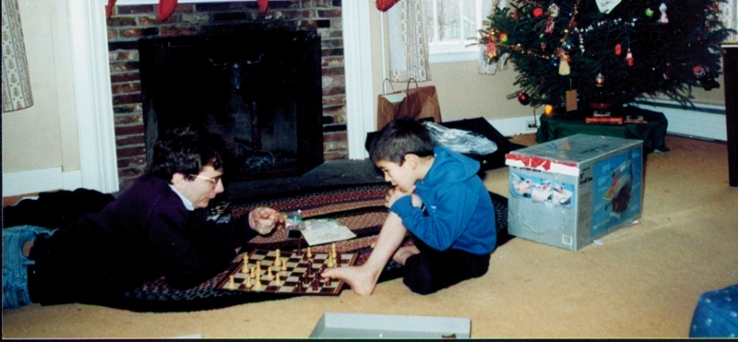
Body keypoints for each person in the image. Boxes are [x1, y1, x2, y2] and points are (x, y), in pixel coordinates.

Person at [2, 125, 283, 309]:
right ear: (180, 178)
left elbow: (200, 235)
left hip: (34, 246)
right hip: (19, 273)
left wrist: (248, 224)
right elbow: (185, 275)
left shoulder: (174, 192)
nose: (220, 189)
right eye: (213, 181)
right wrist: (230, 250)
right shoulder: (161, 208)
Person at [321, 117, 496, 295]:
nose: (387, 179)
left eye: (387, 171)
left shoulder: (454, 186)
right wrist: (408, 202)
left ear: (411, 161)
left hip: (469, 252)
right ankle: (369, 272)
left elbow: (441, 241)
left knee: (422, 275)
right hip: (441, 232)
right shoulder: (425, 165)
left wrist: (405, 208)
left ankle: (403, 254)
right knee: (405, 202)